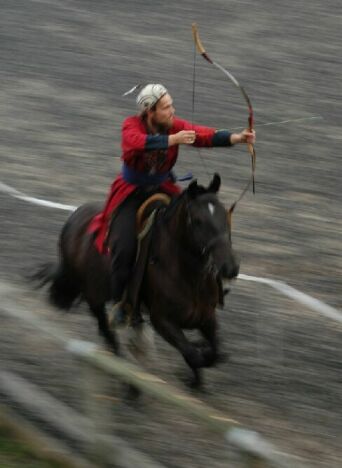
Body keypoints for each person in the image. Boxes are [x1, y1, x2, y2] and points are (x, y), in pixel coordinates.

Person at [88, 83, 255, 313]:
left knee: (200, 223)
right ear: (150, 112)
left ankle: (211, 282)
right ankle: (121, 305)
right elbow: (137, 142)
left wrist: (236, 138)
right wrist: (172, 140)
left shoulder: (172, 126)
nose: (172, 111)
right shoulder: (131, 126)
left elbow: (201, 134)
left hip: (163, 187)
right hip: (131, 193)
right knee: (123, 249)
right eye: (166, 107)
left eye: (171, 105)